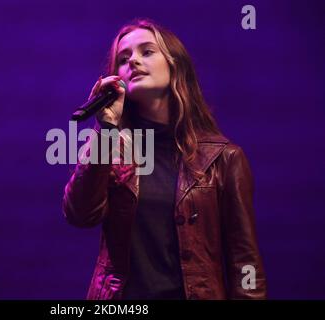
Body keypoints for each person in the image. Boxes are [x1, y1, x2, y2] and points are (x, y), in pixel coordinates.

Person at [62, 18, 267, 300]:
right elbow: (80, 214)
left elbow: (245, 261)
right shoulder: (111, 150)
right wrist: (106, 129)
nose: (133, 61)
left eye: (147, 52)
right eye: (124, 58)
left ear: (175, 65)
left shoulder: (224, 159)